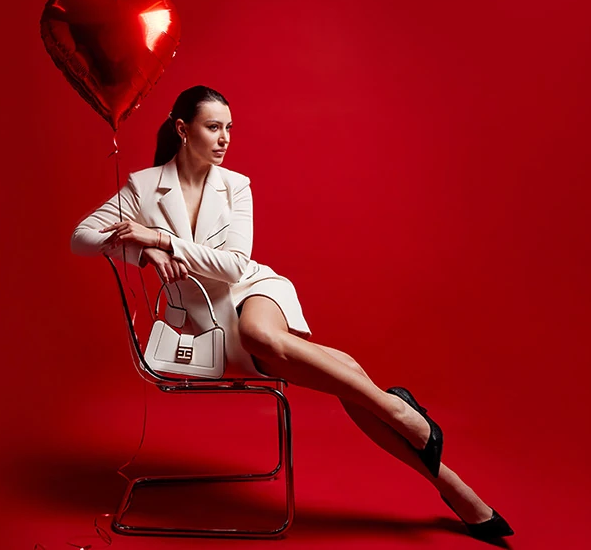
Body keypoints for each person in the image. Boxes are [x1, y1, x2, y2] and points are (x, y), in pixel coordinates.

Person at [69, 85, 514, 540]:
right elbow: (82, 237)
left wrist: (161, 239)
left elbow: (235, 266)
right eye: (213, 127)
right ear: (183, 130)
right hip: (210, 326)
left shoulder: (235, 186)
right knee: (344, 373)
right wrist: (143, 253)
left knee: (261, 335)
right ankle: (449, 480)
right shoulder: (144, 188)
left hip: (256, 290)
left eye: (229, 128)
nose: (224, 138)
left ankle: (402, 416)